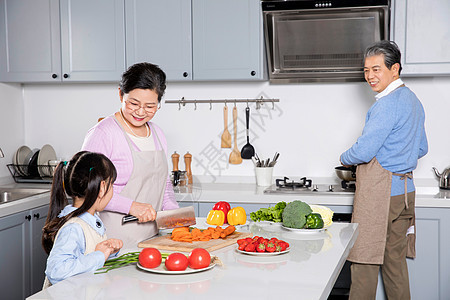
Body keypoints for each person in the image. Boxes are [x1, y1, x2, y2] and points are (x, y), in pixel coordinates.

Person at [340, 40, 428, 299]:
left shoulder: (386, 104)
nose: (370, 76)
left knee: (364, 261)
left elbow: (363, 152)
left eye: (376, 69)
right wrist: (399, 154)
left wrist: (345, 157)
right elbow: (421, 148)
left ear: (395, 69)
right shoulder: (413, 100)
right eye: (366, 70)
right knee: (395, 263)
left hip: (380, 194)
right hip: (404, 193)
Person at [81, 62, 178, 250]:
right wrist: (132, 206)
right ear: (120, 94)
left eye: (150, 106)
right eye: (133, 103)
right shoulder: (103, 133)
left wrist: (175, 215)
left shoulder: (158, 134)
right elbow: (86, 188)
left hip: (151, 238)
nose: (141, 112)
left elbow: (163, 183)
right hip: (110, 242)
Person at [42, 151, 123, 288]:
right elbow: (56, 271)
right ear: (102, 188)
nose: (112, 191)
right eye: (112, 185)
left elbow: (86, 257)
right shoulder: (73, 227)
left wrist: (108, 253)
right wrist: (99, 256)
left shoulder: (90, 220)